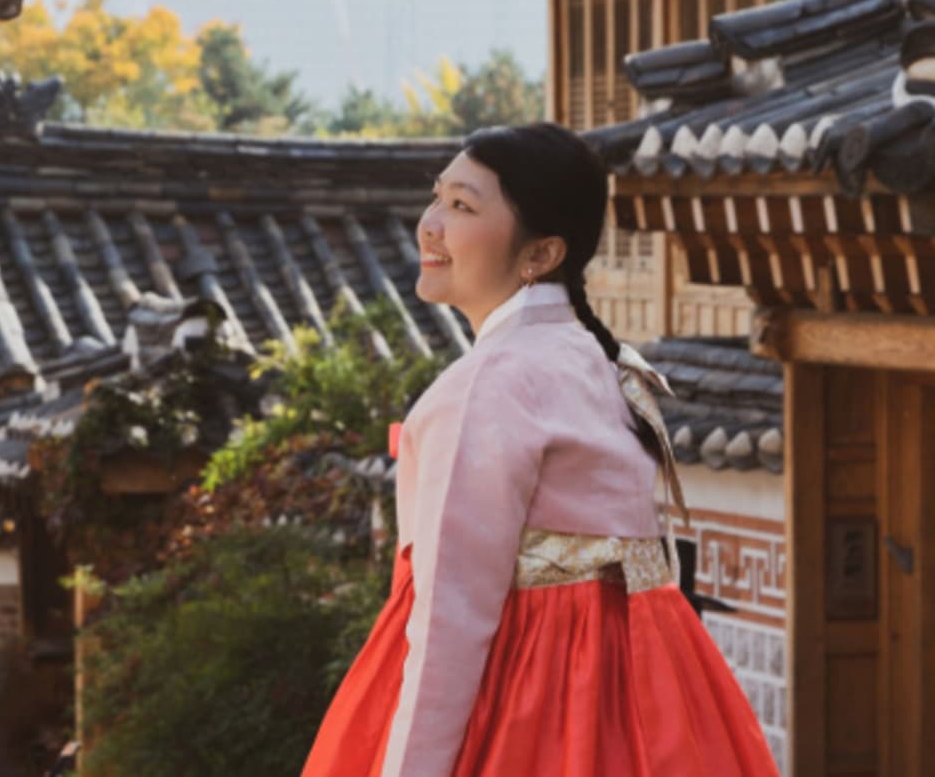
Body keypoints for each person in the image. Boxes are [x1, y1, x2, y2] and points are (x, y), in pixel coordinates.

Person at [301, 123, 781, 777]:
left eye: (463, 206)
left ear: (541, 253)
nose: (430, 225)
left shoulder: (486, 388)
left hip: (537, 698)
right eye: (437, 197)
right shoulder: (595, 359)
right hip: (644, 695)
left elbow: (449, 621)